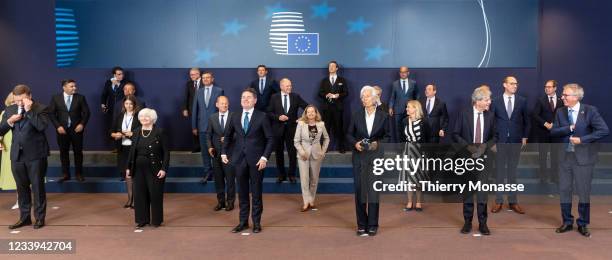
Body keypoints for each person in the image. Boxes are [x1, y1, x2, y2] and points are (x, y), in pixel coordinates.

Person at [551, 83, 609, 237]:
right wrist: (568, 128)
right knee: (564, 190)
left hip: (584, 159)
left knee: (583, 192)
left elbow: (603, 130)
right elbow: (554, 132)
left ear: (576, 97)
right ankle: (567, 222)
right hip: (564, 158)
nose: (562, 97)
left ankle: (583, 223)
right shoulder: (560, 112)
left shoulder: (590, 111)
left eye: (565, 95)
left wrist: (582, 140)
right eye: (563, 94)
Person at [221, 88, 274, 234]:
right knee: (242, 193)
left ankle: (256, 223)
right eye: (243, 97)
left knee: (256, 193)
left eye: (248, 97)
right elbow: (227, 135)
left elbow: (270, 139)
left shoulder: (262, 116)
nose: (245, 99)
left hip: (257, 161)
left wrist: (264, 157)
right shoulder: (235, 116)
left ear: (255, 100)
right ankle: (243, 222)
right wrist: (223, 152)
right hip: (238, 160)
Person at [0, 84, 50, 229]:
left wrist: (28, 111)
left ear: (30, 95)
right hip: (17, 155)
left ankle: (40, 218)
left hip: (36, 154)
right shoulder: (9, 110)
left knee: (37, 187)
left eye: (22, 100)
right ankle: (25, 218)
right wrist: (10, 121)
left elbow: (41, 126)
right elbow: (1, 131)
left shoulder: (41, 108)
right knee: (21, 188)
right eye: (16, 101)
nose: (19, 103)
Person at [453, 85, 497, 236]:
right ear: (478, 100)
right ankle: (467, 222)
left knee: (482, 192)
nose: (489, 102)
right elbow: (455, 134)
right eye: (487, 99)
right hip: (467, 158)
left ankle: (483, 223)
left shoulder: (490, 116)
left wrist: (485, 146)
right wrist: (468, 147)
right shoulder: (463, 114)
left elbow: (495, 136)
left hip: (484, 159)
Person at [346, 86, 390, 237]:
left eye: (367, 96)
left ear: (374, 98)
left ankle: (372, 224)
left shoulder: (383, 116)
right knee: (359, 191)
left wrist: (378, 144)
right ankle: (361, 224)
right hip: (359, 157)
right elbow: (349, 134)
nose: (364, 99)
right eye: (362, 97)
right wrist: (355, 143)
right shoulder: (356, 115)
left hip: (375, 158)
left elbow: (388, 137)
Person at [490, 76, 529, 214]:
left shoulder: (522, 101)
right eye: (512, 83)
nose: (515, 86)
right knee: (500, 172)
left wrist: (524, 137)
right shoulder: (495, 101)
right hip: (500, 141)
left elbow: (526, 120)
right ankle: (499, 201)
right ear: (504, 84)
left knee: (513, 172)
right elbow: (491, 122)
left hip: (515, 141)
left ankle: (513, 202)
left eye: (516, 84)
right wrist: (493, 141)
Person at [126, 108, 170, 228]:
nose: (144, 119)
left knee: (155, 194)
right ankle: (142, 219)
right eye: (141, 117)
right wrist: (129, 167)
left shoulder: (160, 132)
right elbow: (132, 151)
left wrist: (164, 168)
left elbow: (166, 152)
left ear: (153, 119)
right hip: (138, 169)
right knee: (139, 194)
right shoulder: (136, 132)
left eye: (147, 117)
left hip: (155, 169)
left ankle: (156, 220)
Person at [47, 79, 90, 182]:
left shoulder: (80, 98)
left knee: (78, 152)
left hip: (77, 130)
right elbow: (51, 113)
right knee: (63, 152)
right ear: (64, 87)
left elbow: (87, 113)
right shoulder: (55, 98)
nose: (74, 88)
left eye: (75, 86)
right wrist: (57, 126)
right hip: (62, 130)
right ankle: (65, 174)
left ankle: (79, 174)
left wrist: (82, 124)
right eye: (71, 86)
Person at [267, 78, 308, 183]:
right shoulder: (274, 97)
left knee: (292, 153)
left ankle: (292, 175)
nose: (290, 87)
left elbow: (308, 107)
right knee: (279, 153)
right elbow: (269, 112)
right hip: (278, 129)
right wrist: (278, 117)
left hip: (292, 129)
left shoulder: (296, 96)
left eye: (290, 85)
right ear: (281, 86)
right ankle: (281, 175)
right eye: (287, 86)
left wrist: (302, 119)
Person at [294, 105, 329, 212]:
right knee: (304, 180)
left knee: (314, 179)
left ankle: (311, 200)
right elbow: (296, 141)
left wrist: (323, 151)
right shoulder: (301, 124)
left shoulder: (321, 124)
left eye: (312, 112)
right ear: (306, 113)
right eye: (308, 112)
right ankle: (306, 202)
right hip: (303, 155)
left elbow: (327, 138)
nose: (310, 113)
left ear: (315, 113)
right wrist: (301, 151)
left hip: (316, 155)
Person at [192, 71, 224, 183]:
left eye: (208, 77)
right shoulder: (198, 92)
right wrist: (194, 126)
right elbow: (195, 110)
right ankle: (208, 173)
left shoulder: (219, 90)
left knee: (216, 151)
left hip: (216, 127)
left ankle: (218, 173)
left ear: (212, 79)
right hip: (201, 127)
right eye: (203, 78)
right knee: (205, 152)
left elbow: (222, 108)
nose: (205, 79)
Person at [399, 100, 430, 212]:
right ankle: (409, 202)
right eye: (407, 107)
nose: (407, 109)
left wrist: (426, 152)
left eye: (409, 107)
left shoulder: (424, 122)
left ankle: (418, 202)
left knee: (418, 178)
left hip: (420, 152)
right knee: (409, 179)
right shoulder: (404, 121)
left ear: (415, 109)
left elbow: (428, 138)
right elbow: (401, 137)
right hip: (408, 151)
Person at [111, 95, 141, 208]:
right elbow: (111, 131)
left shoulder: (139, 116)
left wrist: (132, 134)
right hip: (123, 149)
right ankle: (130, 199)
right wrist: (115, 135)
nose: (128, 106)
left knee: (135, 175)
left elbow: (143, 132)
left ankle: (137, 199)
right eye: (126, 104)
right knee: (127, 174)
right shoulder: (119, 116)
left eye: (131, 104)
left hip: (135, 149)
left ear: (134, 105)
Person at [206, 96, 236, 211]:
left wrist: (229, 138)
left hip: (229, 153)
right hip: (216, 153)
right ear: (217, 105)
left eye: (226, 103)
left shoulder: (234, 117)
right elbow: (208, 135)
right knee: (218, 179)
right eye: (222, 103)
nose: (224, 105)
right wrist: (209, 147)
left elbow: (239, 133)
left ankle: (230, 202)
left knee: (230, 179)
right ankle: (221, 202)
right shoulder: (212, 118)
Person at [531, 80, 563, 183]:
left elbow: (564, 115)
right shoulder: (540, 100)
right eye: (546, 86)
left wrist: (555, 125)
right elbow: (535, 115)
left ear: (555, 88)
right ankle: (543, 177)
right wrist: (545, 124)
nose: (547, 88)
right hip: (543, 132)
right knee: (543, 156)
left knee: (556, 156)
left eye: (549, 87)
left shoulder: (561, 101)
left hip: (556, 133)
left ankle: (555, 177)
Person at [318, 60, 348, 153]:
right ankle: (324, 147)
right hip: (327, 108)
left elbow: (346, 93)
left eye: (333, 66)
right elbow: (320, 93)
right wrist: (326, 95)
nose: (330, 68)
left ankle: (341, 147)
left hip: (338, 108)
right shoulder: (324, 80)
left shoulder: (342, 80)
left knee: (339, 128)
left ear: (337, 68)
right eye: (329, 66)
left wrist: (337, 95)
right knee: (325, 128)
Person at [389, 66, 418, 142]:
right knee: (398, 130)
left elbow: (417, 96)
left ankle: (409, 147)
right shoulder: (395, 84)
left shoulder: (413, 83)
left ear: (408, 73)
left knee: (410, 129)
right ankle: (399, 148)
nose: (403, 74)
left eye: (404, 72)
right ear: (399, 73)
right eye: (401, 72)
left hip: (410, 111)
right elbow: (392, 97)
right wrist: (390, 107)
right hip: (398, 111)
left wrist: (416, 107)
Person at [101, 66, 126, 151]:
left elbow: (126, 94)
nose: (121, 76)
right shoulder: (108, 82)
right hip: (111, 109)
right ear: (114, 75)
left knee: (122, 127)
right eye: (119, 74)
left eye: (122, 74)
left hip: (123, 108)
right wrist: (103, 104)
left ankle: (122, 147)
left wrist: (117, 85)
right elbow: (104, 94)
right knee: (113, 127)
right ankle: (116, 147)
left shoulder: (125, 83)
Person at [0, 92, 18, 210]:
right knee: (14, 176)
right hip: (8, 149)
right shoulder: (3, 114)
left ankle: (23, 199)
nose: (13, 104)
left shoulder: (24, 113)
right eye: (11, 102)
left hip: (23, 148)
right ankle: (20, 199)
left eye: (15, 101)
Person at [183, 68, 202, 152]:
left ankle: (205, 147)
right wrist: (185, 108)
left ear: (199, 74)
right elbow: (186, 97)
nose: (191, 76)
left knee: (204, 129)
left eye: (193, 74)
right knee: (194, 129)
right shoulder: (189, 84)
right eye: (190, 75)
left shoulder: (204, 82)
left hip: (203, 110)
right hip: (192, 110)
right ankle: (196, 147)